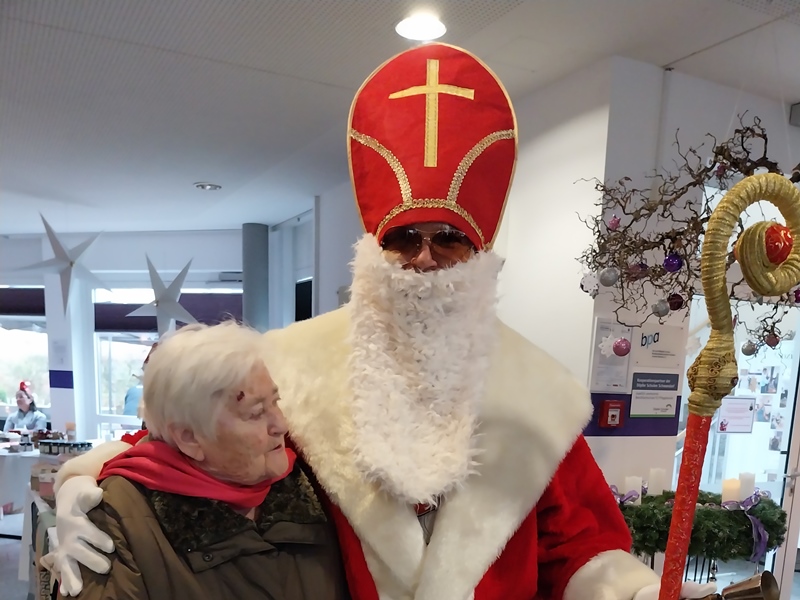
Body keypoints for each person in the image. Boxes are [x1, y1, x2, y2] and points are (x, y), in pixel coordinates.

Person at [45, 43, 715, 600]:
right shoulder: (291, 366)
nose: (424, 258)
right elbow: (175, 436)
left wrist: (629, 590)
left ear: (479, 253)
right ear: (375, 248)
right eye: (404, 237)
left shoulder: (537, 392)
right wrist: (86, 480)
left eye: (448, 238)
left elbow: (585, 544)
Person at [46, 321, 348, 600]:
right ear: (190, 438)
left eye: (275, 402)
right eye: (255, 413)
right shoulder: (117, 519)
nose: (280, 424)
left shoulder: (310, 480)